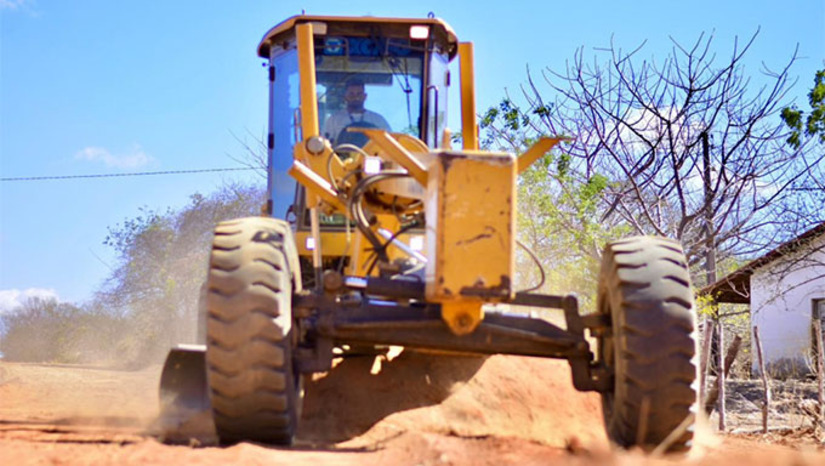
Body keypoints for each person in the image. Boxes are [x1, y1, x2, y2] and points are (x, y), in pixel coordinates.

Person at [323, 78, 390, 146]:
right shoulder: (334, 120)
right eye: (351, 94)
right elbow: (326, 145)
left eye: (359, 94)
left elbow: (389, 144)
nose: (356, 97)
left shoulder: (378, 120)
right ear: (346, 96)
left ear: (365, 96)